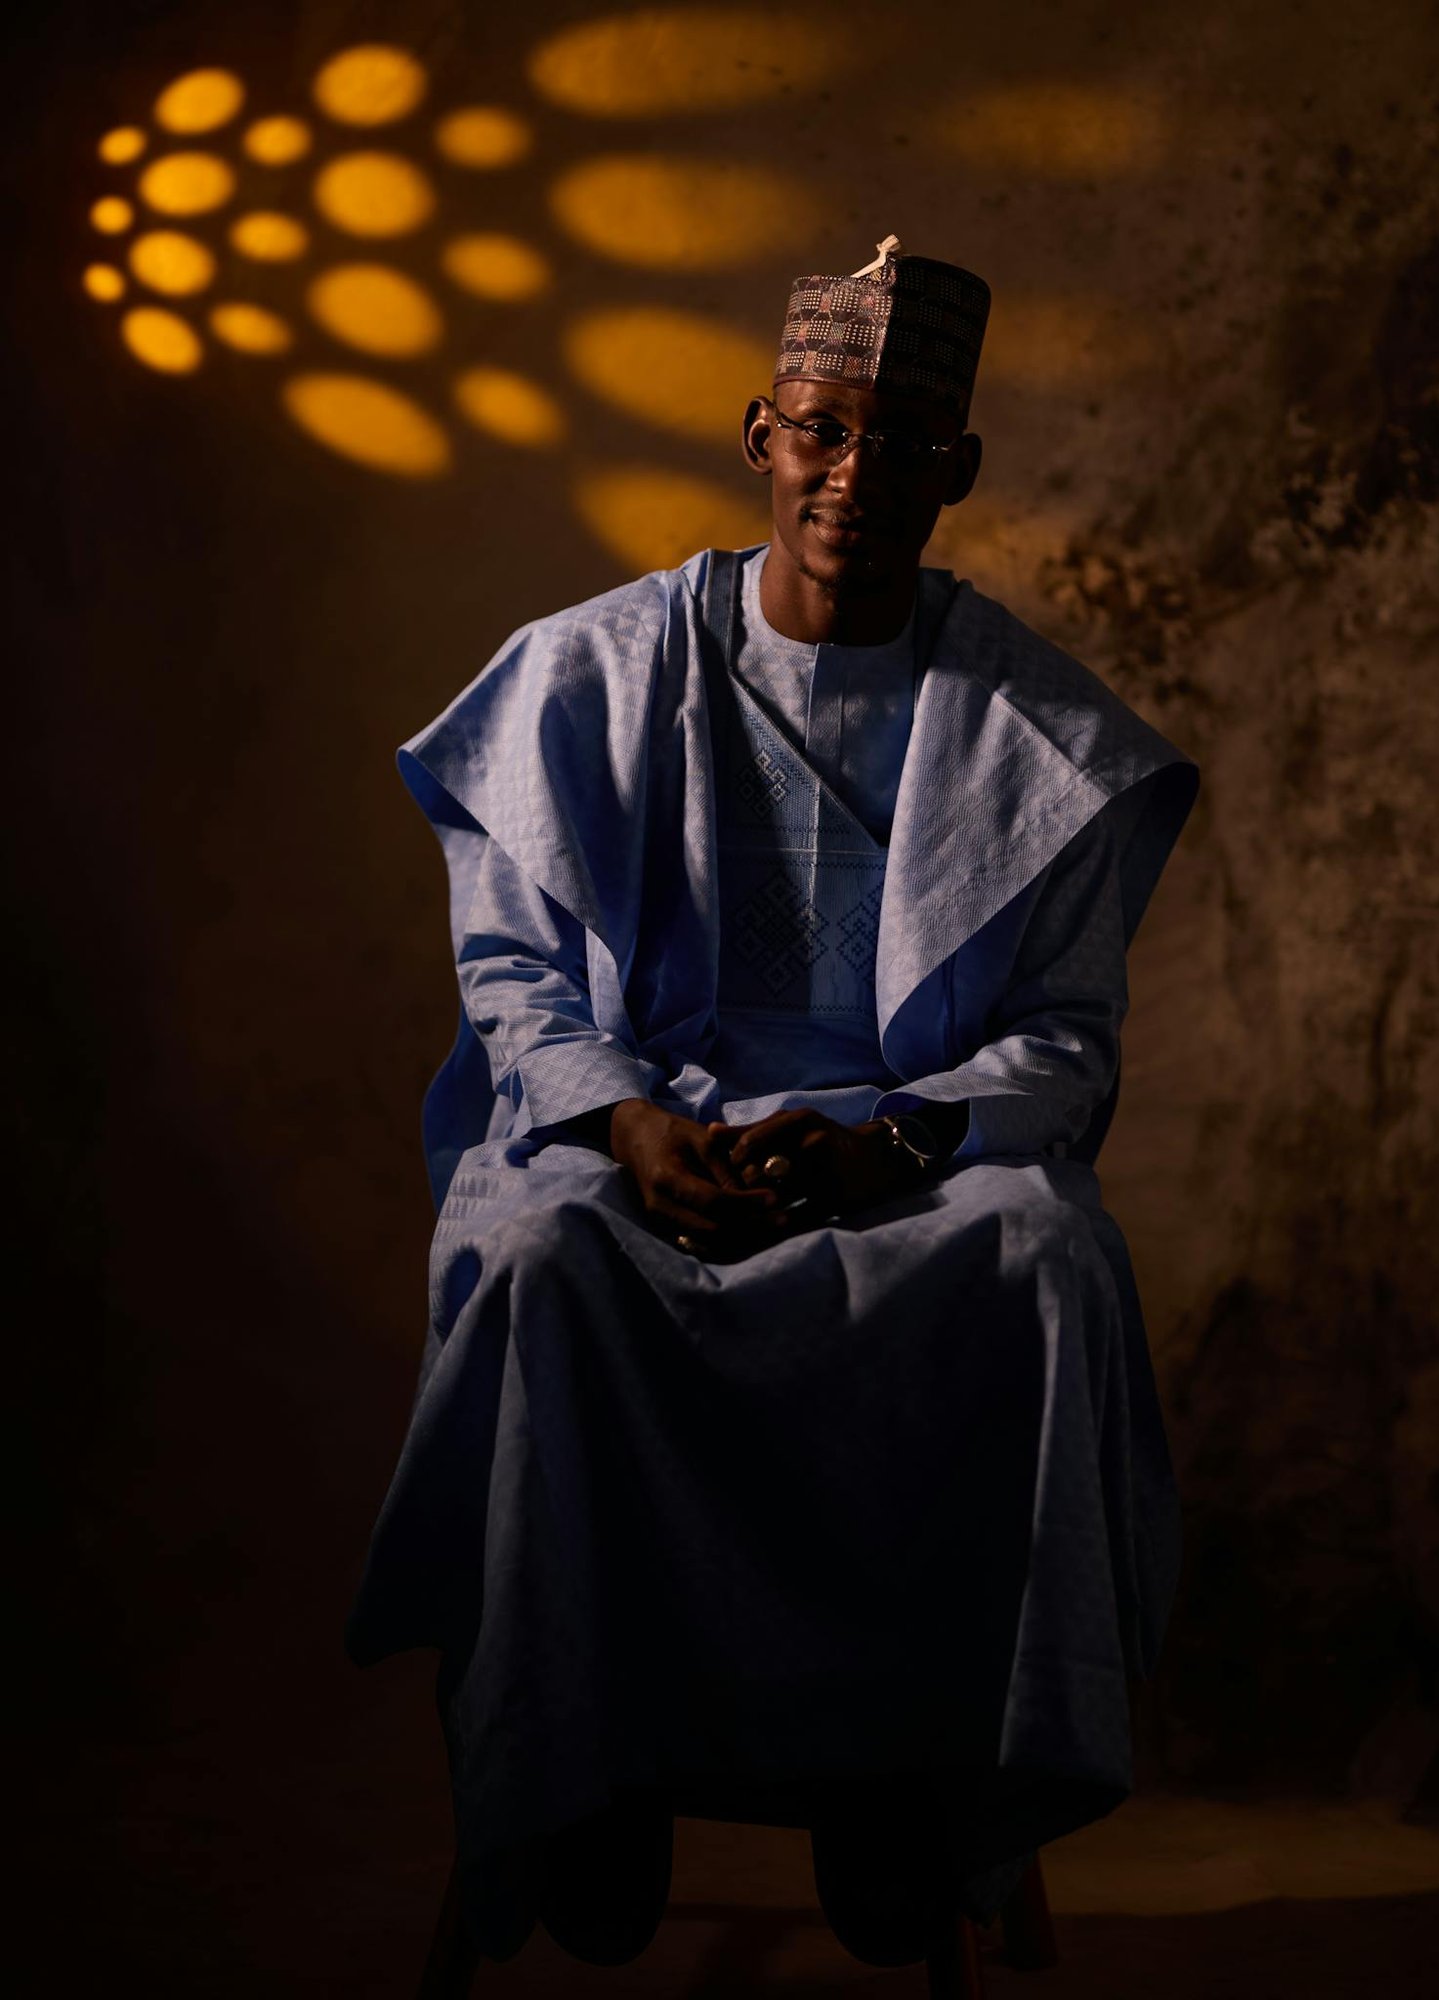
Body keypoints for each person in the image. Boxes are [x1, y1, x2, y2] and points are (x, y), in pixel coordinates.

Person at [346, 233, 1199, 1971]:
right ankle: (586, 1781)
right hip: (641, 1124)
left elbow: (1061, 1042)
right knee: (548, 1259)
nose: (854, 475)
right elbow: (514, 975)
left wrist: (895, 1139)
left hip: (907, 1148)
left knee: (1040, 1259)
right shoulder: (591, 671)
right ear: (761, 435)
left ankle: (918, 1798)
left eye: (899, 447)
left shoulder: (1029, 726)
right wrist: (629, 1122)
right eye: (821, 429)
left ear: (955, 472)